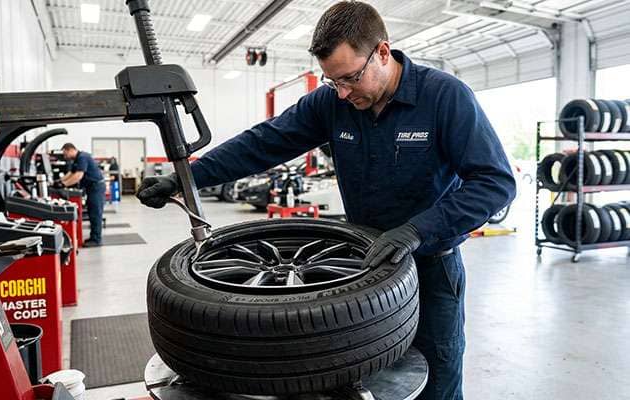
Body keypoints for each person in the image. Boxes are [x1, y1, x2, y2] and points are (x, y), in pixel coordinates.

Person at [136, 2, 516, 399]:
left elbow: (495, 183)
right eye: (333, 81)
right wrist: (185, 177)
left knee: (436, 378)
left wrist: (417, 231)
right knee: (363, 381)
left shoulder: (444, 96)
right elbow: (264, 142)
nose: (343, 91)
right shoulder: (332, 102)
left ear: (382, 53)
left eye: (350, 78)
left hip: (430, 268)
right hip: (360, 267)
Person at [60, 143, 106, 247]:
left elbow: (78, 175)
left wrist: (63, 184)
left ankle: (96, 240)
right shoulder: (76, 159)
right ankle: (94, 237)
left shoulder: (82, 157)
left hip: (96, 187)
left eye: (65, 153)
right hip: (91, 188)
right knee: (91, 212)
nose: (65, 156)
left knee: (95, 213)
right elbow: (71, 173)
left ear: (70, 149)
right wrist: (59, 181)